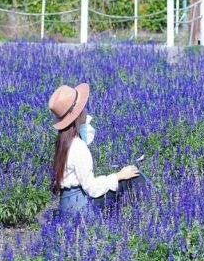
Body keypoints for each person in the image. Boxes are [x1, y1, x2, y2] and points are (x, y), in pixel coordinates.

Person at [48, 82, 144, 214]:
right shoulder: (77, 146)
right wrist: (119, 176)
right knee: (134, 177)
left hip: (67, 206)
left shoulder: (63, 143)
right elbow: (91, 187)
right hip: (81, 210)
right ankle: (150, 212)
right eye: (83, 107)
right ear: (78, 115)